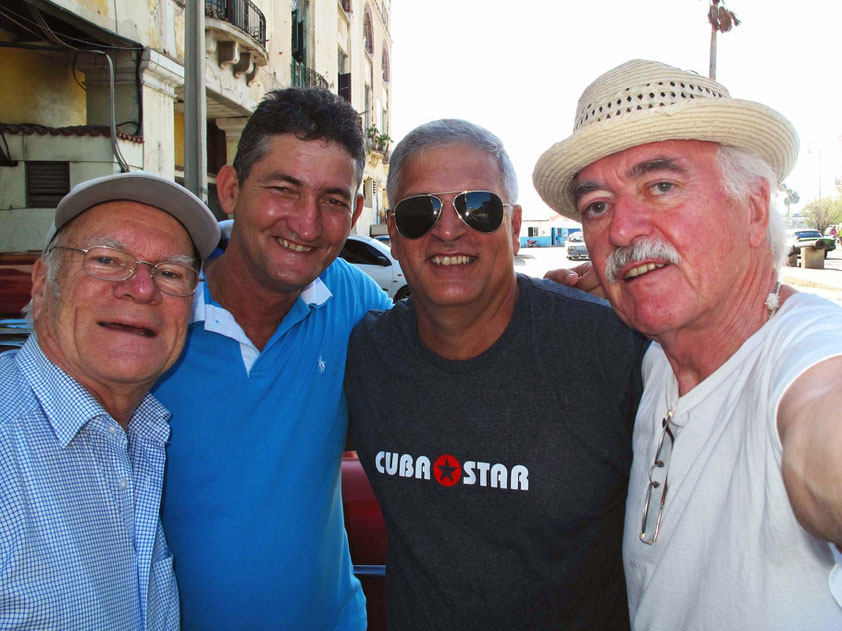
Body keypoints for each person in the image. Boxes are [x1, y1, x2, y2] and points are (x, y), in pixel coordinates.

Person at [533, 59, 842, 629]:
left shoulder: (806, 351)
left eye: (661, 186)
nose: (620, 230)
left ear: (752, 209)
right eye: (597, 206)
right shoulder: (661, 362)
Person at [344, 119, 648, 629]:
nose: (447, 229)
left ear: (512, 224)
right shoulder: (366, 352)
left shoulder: (612, 347)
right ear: (393, 234)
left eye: (477, 207)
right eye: (421, 211)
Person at [152, 88, 392, 629]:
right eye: (283, 190)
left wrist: (567, 308)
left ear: (355, 211)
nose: (306, 225)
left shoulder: (353, 300)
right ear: (231, 189)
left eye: (332, 200)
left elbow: (453, 352)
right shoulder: (155, 310)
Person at [0, 171, 219, 629]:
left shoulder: (142, 431)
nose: (141, 289)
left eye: (170, 273)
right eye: (106, 260)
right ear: (42, 282)